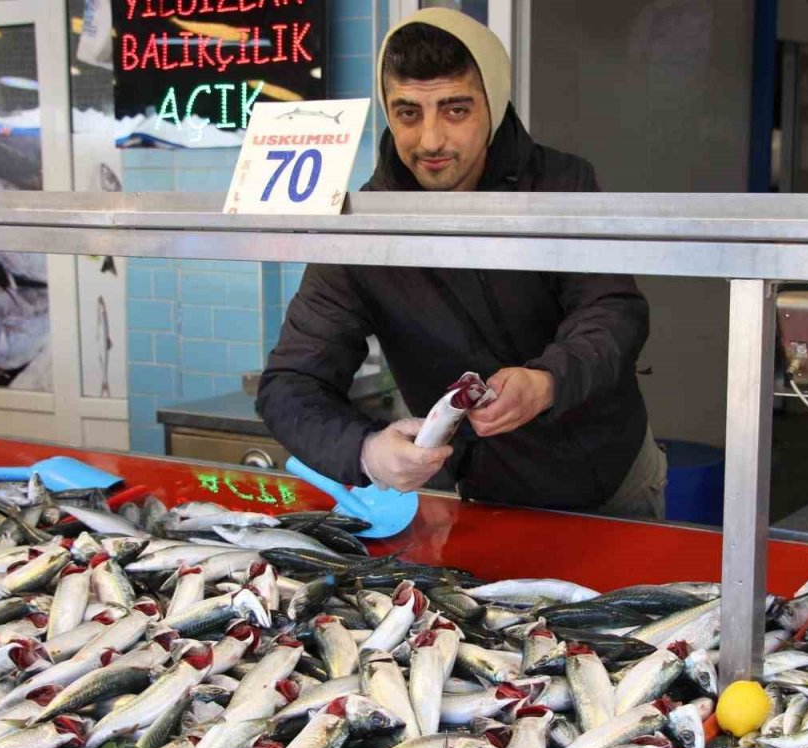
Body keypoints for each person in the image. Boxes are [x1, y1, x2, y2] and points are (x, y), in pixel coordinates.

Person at [258, 7, 665, 519]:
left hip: (611, 479)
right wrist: (364, 451)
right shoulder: (365, 225)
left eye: (455, 110)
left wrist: (548, 381)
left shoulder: (561, 184)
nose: (430, 140)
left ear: (492, 104)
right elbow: (290, 384)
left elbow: (614, 311)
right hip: (477, 493)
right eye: (408, 113)